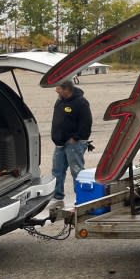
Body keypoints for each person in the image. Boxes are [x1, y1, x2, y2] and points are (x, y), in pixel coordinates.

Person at [49, 80, 93, 208]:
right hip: (59, 143)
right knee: (57, 170)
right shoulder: (60, 100)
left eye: (58, 88)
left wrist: (76, 137)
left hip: (74, 143)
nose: (56, 90)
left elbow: (87, 123)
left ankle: (81, 197)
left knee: (77, 170)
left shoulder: (81, 102)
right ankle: (57, 195)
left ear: (67, 89)